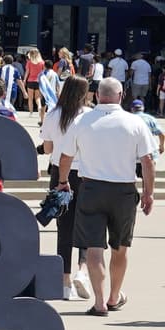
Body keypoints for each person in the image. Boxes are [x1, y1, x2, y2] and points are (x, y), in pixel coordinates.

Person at [57, 78, 155, 316]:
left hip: (91, 188)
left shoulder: (82, 120)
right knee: (120, 247)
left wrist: (62, 182)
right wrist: (148, 192)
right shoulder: (135, 122)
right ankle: (114, 297)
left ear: (97, 95)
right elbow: (148, 161)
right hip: (123, 191)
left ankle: (99, 302)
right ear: (121, 95)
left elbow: (66, 156)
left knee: (94, 247)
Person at [41, 75, 92, 301]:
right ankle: (83, 269)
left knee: (64, 227)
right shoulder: (88, 116)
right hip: (86, 172)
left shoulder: (53, 114)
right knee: (88, 224)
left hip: (59, 173)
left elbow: (48, 146)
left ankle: (64, 281)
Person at [22, 49, 44, 115]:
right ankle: (39, 106)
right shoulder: (42, 62)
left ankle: (31, 112)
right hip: (38, 81)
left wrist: (24, 80)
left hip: (30, 81)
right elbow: (43, 73)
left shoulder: (29, 62)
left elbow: (27, 72)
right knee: (37, 97)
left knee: (30, 98)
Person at [38, 60, 59, 124]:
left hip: (45, 93)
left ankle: (42, 121)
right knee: (53, 108)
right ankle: (52, 122)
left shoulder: (41, 74)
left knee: (43, 107)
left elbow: (40, 84)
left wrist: (40, 93)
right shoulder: (55, 74)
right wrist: (58, 92)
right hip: (53, 93)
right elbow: (57, 84)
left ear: (44, 66)